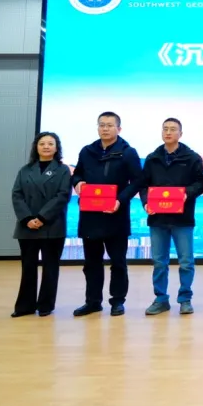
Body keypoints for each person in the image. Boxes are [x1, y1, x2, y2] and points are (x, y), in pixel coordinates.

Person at [70, 112, 143, 317]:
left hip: (116, 215)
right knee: (91, 263)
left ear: (119, 129)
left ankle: (117, 301)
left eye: (110, 125)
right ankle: (93, 302)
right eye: (101, 125)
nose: (105, 128)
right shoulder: (87, 151)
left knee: (118, 262)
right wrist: (78, 183)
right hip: (90, 215)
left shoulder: (128, 152)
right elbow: (77, 173)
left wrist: (120, 200)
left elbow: (138, 181)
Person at [138, 118, 203, 316]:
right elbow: (143, 185)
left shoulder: (191, 158)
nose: (168, 132)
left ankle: (185, 299)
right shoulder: (152, 158)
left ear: (180, 134)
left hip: (182, 218)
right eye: (165, 129)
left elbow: (201, 183)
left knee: (186, 261)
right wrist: (146, 202)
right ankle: (161, 299)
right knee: (159, 262)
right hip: (157, 218)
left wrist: (187, 193)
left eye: (173, 129)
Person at [10, 132, 72, 318]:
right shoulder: (25, 170)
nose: (46, 147)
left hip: (52, 225)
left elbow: (63, 196)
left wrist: (42, 217)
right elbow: (17, 195)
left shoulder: (63, 170)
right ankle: (25, 306)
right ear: (36, 147)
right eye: (42, 143)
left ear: (56, 148)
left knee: (50, 267)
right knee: (28, 267)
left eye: (50, 143)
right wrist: (27, 218)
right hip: (27, 225)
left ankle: (46, 305)